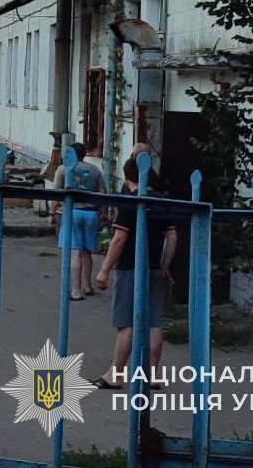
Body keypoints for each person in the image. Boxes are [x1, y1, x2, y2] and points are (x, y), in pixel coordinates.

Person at [91, 153, 178, 390]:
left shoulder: (131, 201)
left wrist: (104, 270)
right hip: (154, 267)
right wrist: (163, 267)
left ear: (128, 177)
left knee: (126, 323)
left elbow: (119, 238)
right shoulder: (162, 201)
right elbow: (172, 237)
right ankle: (153, 374)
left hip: (130, 268)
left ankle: (115, 374)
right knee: (153, 322)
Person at [51, 143, 108, 300]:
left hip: (73, 212)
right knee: (87, 251)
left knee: (76, 251)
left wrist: (52, 213)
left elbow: (56, 194)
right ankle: (87, 286)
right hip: (91, 213)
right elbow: (103, 193)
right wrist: (104, 212)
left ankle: (75, 290)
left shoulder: (63, 169)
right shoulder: (95, 170)